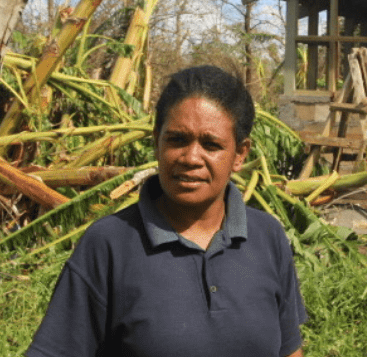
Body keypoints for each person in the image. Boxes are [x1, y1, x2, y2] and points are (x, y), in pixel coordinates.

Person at [26, 65, 307, 357]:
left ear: (239, 154)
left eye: (211, 145)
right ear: (156, 141)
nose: (191, 158)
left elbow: (289, 350)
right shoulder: (110, 244)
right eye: (177, 140)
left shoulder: (267, 237)